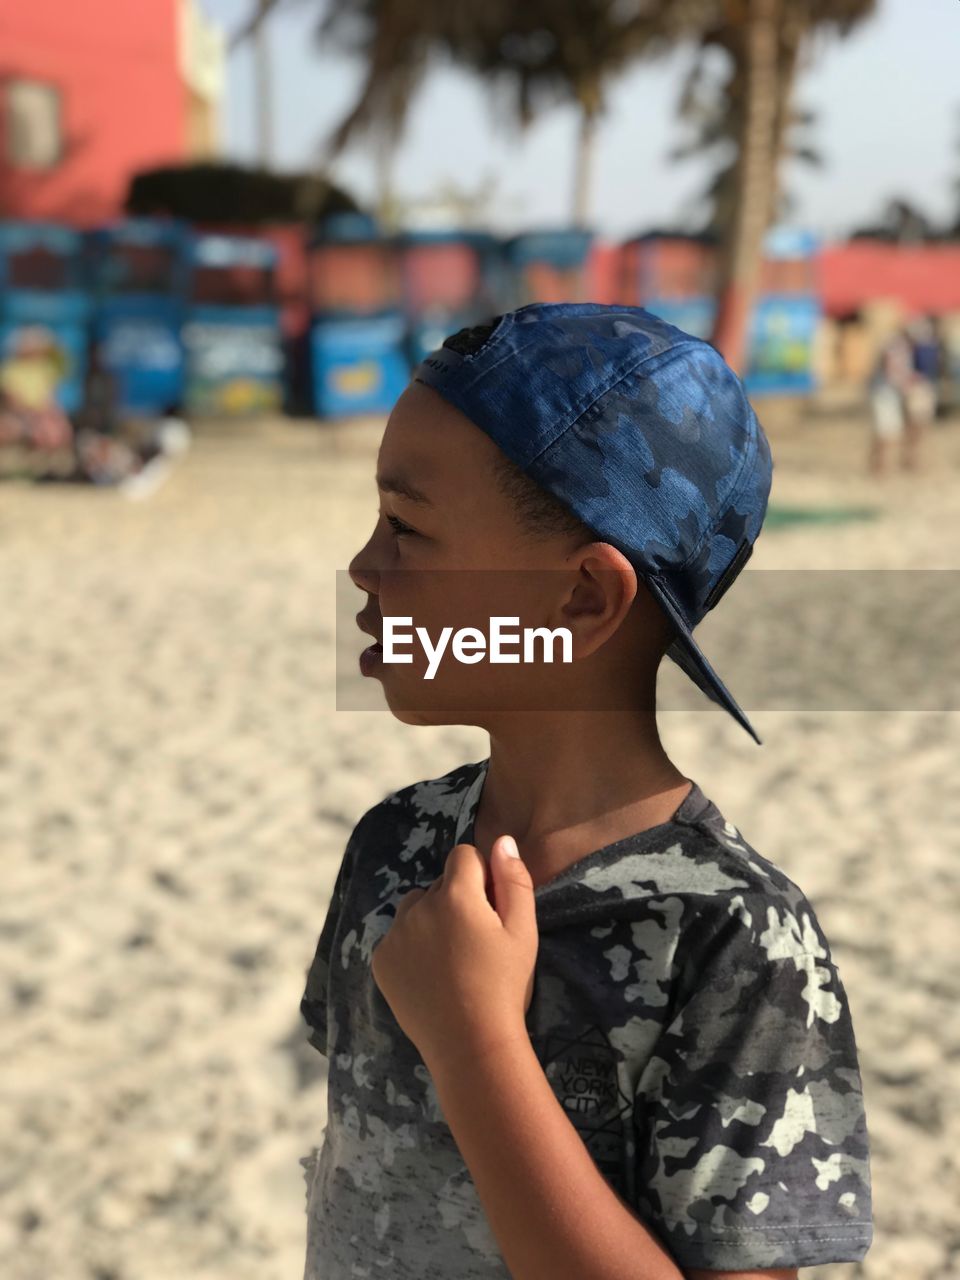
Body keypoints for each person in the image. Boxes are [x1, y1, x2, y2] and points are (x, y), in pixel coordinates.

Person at [301, 304, 873, 1280]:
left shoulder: (734, 935)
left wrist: (476, 1041)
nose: (364, 565)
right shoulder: (395, 844)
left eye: (406, 525)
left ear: (582, 597)